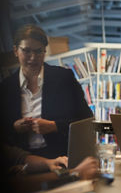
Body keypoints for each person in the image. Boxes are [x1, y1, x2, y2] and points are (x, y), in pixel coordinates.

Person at [0, 24, 93, 159]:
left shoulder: (64, 78)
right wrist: (14, 127)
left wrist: (55, 126)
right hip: (23, 163)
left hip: (62, 158)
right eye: (26, 51)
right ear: (15, 51)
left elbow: (87, 120)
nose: (33, 57)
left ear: (45, 51)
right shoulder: (6, 87)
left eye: (38, 51)